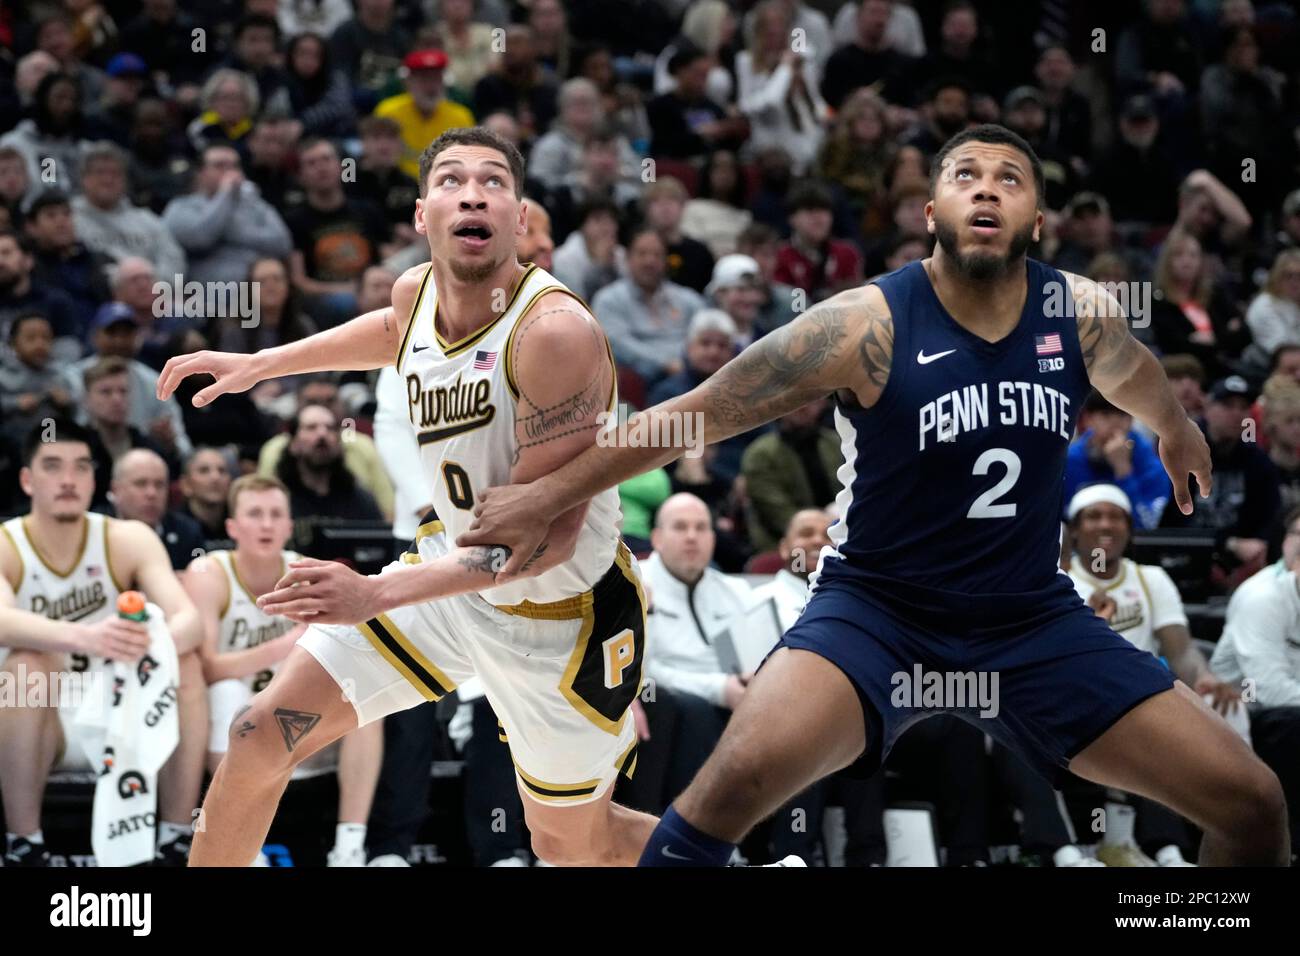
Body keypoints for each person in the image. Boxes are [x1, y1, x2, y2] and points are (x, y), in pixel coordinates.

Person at [461, 124, 1289, 867]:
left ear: (1039, 220)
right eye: (966, 175)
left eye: (1011, 177)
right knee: (730, 788)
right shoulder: (864, 325)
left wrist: (1175, 428)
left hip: (1031, 619)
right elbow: (694, 416)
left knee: (1253, 805)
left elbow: (1135, 372)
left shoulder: (1078, 312)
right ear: (931, 210)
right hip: (879, 614)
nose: (988, 188)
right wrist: (545, 498)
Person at [158, 126, 659, 866]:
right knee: (261, 733)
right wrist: (264, 364)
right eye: (452, 179)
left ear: (521, 220)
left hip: (563, 616)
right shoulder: (414, 291)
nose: (473, 192)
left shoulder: (554, 334)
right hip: (450, 587)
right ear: (423, 216)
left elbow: (542, 542)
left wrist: (373, 595)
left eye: (493, 181)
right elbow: (395, 330)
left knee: (578, 843)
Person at [0, 419, 206, 866]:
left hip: (121, 705)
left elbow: (189, 621)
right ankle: (23, 844)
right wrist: (91, 638)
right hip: (42, 714)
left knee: (184, 662)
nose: (68, 479)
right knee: (23, 666)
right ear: (27, 480)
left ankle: (175, 838)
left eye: (80, 467)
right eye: (52, 467)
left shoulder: (128, 538)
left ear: (96, 479)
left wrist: (150, 645)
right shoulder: (6, 543)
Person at [184, 474, 382, 866]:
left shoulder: (307, 574)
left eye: (276, 514)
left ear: (290, 526)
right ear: (232, 527)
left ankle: (350, 847)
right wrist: (281, 645)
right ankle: (246, 850)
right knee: (228, 697)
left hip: (299, 726)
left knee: (364, 701)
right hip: (238, 737)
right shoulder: (209, 574)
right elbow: (207, 668)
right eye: (255, 514)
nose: (267, 524)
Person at [109, 448, 206, 571]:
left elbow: (201, 573)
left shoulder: (188, 532)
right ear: (115, 489)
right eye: (141, 483)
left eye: (159, 484)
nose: (152, 493)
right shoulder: (98, 532)